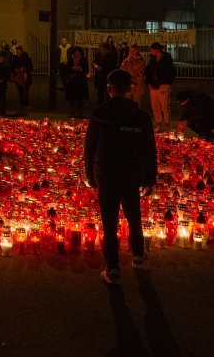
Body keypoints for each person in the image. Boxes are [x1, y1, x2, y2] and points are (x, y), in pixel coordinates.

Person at [83, 69, 158, 285]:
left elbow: (90, 148)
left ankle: (113, 267)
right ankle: (138, 256)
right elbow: (149, 148)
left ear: (109, 89)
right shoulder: (140, 116)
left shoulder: (99, 114)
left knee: (109, 220)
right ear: (130, 89)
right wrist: (149, 178)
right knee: (134, 216)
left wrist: (90, 175)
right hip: (131, 172)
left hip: (106, 172)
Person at [146, 42, 175, 131]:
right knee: (155, 106)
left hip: (163, 85)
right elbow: (148, 71)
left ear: (156, 50)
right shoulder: (152, 59)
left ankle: (167, 124)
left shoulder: (166, 59)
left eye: (151, 50)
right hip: (153, 86)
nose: (150, 51)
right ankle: (158, 123)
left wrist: (159, 82)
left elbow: (168, 73)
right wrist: (149, 82)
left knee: (165, 106)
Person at [120, 43, 148, 111]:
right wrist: (128, 83)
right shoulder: (125, 62)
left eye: (133, 51)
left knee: (137, 105)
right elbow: (122, 73)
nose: (131, 53)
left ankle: (137, 120)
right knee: (127, 104)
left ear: (137, 51)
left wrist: (133, 83)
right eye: (130, 51)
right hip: (128, 87)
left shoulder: (141, 61)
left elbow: (141, 73)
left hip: (138, 87)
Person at [64, 48, 89, 119]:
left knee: (80, 97)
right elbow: (67, 69)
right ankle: (73, 113)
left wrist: (81, 69)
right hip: (72, 81)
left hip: (80, 80)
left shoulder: (83, 60)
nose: (76, 54)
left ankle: (80, 113)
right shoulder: (70, 59)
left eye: (78, 53)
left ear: (81, 53)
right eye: (75, 53)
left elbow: (86, 69)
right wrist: (72, 68)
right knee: (72, 97)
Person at [11, 45, 34, 114]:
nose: (18, 52)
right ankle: (22, 105)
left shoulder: (27, 58)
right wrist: (14, 69)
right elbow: (12, 66)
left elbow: (30, 67)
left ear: (21, 51)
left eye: (19, 51)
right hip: (18, 77)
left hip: (25, 77)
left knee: (25, 92)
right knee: (20, 92)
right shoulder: (14, 58)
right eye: (17, 51)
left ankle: (25, 105)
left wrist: (24, 69)